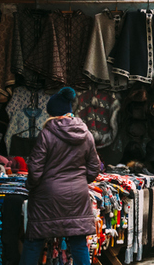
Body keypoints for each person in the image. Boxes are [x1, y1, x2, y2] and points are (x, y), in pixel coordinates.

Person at [22, 87, 101, 265]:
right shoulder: (86, 134)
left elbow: (35, 169)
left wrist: (31, 186)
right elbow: (94, 167)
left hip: (47, 197)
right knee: (79, 244)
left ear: (52, 113)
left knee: (34, 242)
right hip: (77, 197)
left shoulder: (46, 134)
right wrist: (80, 181)